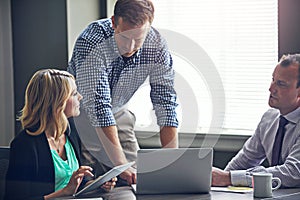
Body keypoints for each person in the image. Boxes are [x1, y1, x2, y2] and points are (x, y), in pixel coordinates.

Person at [68, 0, 178, 185]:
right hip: (80, 114)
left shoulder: (157, 46)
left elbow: (165, 103)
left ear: (149, 28)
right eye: (124, 37)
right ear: (113, 23)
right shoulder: (91, 41)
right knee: (91, 183)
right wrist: (120, 165)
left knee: (135, 179)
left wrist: (172, 159)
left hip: (119, 112)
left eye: (138, 39)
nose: (130, 47)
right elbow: (99, 107)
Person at [5, 69, 117, 200]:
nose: (80, 97)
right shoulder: (24, 145)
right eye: (74, 93)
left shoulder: (71, 132)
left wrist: (97, 184)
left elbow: (74, 184)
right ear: (57, 101)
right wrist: (64, 192)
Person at [212, 54, 300, 188]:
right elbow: (244, 161)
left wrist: (229, 178)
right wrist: (218, 181)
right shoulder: (269, 118)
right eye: (273, 80)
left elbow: (292, 173)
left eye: (281, 84)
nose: (271, 89)